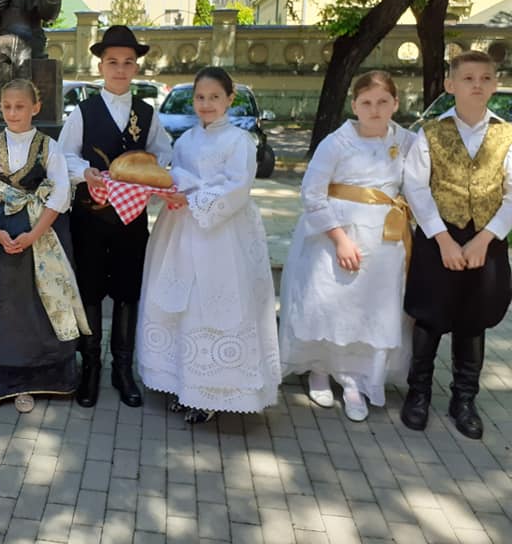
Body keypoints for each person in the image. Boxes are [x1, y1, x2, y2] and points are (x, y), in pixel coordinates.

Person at [137, 66, 279, 423]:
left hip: (222, 233)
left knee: (212, 301)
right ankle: (182, 383)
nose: (206, 103)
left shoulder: (239, 141)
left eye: (215, 97)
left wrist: (193, 197)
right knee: (181, 302)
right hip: (180, 231)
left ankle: (215, 391)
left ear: (230, 99)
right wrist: (169, 190)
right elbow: (173, 176)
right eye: (200, 97)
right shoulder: (185, 140)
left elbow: (237, 187)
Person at [278, 71, 415, 422]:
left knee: (369, 306)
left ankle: (357, 377)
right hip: (337, 235)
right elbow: (312, 193)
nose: (375, 109)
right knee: (331, 302)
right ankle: (320, 368)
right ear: (354, 105)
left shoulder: (407, 141)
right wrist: (339, 239)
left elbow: (420, 184)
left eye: (383, 102)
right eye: (366, 102)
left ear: (395, 104)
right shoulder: (336, 143)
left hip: (384, 240)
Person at [58, 25, 172, 408]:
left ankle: (122, 369)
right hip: (89, 218)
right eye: (112, 62)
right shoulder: (84, 112)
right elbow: (64, 155)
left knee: (127, 291)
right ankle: (90, 366)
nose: (120, 69)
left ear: (136, 67)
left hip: (131, 220)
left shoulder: (147, 113)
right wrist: (85, 172)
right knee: (89, 290)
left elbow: (164, 153)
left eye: (127, 62)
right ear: (101, 67)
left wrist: (152, 175)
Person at [401, 50, 512, 440]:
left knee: (473, 320)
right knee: (429, 317)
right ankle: (418, 393)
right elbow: (416, 188)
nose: (477, 85)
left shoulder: (507, 135)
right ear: (450, 85)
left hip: (486, 238)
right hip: (439, 237)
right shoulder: (430, 133)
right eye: (468, 78)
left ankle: (464, 399)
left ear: (495, 84)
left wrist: (485, 238)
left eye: (485, 78)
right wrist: (443, 239)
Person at [0, 79, 89, 413]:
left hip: (40, 239)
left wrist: (33, 235)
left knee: (33, 311)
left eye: (20, 106)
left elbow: (60, 194)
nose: (13, 113)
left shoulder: (50, 147)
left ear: (35, 107)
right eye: (7, 106)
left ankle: (30, 383)